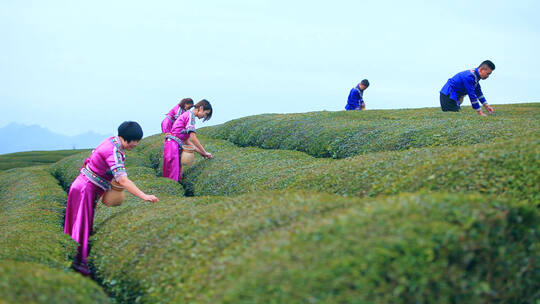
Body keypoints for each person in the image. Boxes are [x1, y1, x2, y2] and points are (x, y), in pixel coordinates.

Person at [64, 121, 159, 276]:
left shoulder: (113, 141)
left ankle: (75, 261)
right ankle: (78, 265)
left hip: (83, 186)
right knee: (81, 227)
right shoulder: (112, 151)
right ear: (127, 138)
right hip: (84, 189)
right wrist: (144, 196)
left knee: (80, 224)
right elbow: (123, 180)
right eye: (134, 141)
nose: (135, 144)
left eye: (137, 141)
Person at [163, 99, 214, 182]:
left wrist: (202, 153)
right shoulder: (190, 116)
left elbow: (187, 141)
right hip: (173, 145)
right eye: (206, 114)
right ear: (201, 108)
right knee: (172, 175)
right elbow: (193, 138)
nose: (204, 116)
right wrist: (205, 152)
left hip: (172, 145)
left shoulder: (188, 114)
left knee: (172, 173)